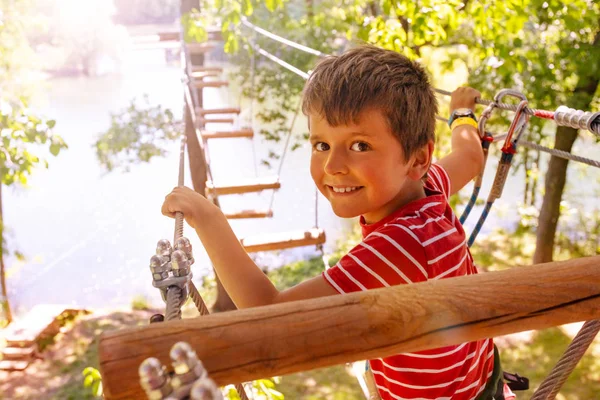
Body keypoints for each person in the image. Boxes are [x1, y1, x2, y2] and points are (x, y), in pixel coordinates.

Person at [162, 45, 511, 399]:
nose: (332, 166)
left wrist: (208, 217)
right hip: (484, 381)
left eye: (359, 146)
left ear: (417, 158)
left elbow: (270, 315)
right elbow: (469, 156)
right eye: (321, 144)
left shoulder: (398, 247)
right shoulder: (428, 187)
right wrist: (463, 115)